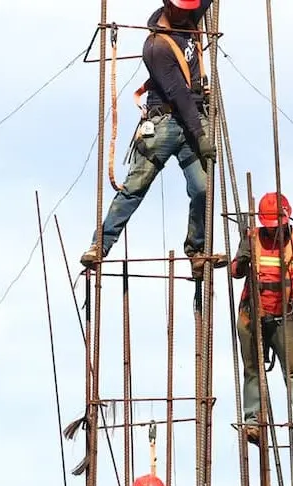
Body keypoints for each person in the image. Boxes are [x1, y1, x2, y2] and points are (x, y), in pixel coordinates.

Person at [81, 0, 225, 281]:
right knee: (135, 187)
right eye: (181, 9)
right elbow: (179, 95)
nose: (187, 13)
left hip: (194, 118)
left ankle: (196, 251)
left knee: (202, 190)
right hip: (167, 123)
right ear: (168, 7)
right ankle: (100, 245)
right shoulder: (156, 47)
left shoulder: (188, 17)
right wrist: (201, 135)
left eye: (189, 8)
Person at [229, 191, 293, 445]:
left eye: (277, 227)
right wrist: (242, 258)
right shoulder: (252, 238)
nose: (273, 232)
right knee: (252, 371)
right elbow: (235, 272)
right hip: (252, 317)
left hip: (283, 319)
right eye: (270, 228)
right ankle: (252, 422)